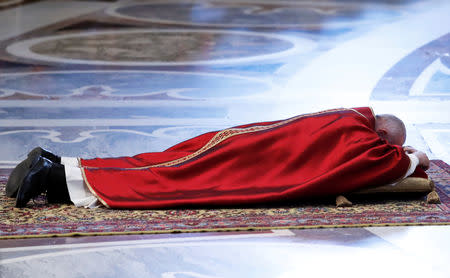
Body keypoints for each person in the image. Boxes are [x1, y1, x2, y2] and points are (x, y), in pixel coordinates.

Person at [6, 107, 430, 209]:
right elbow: (385, 164)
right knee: (167, 180)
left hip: (237, 141)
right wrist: (415, 159)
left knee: (157, 163)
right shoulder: (364, 140)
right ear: (384, 137)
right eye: (392, 144)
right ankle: (52, 177)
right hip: (248, 164)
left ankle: (58, 162)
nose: (390, 152)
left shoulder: (349, 115)